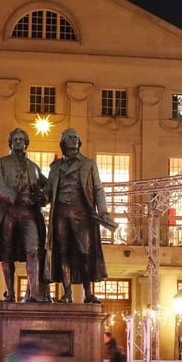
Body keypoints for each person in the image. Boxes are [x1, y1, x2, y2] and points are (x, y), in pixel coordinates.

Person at [45, 128, 111, 304]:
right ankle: (67, 293)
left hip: (82, 214)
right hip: (60, 213)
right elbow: (49, 191)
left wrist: (103, 212)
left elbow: (98, 189)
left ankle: (87, 293)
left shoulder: (89, 164)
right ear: (63, 142)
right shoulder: (55, 166)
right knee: (63, 252)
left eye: (76, 137)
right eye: (70, 137)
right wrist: (38, 196)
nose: (74, 140)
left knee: (85, 252)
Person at [0, 127, 50, 302]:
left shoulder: (34, 168)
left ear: (26, 143)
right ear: (10, 142)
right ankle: (10, 292)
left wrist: (44, 197)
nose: (18, 142)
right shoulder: (0, 163)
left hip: (29, 213)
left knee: (34, 250)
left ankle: (34, 292)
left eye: (21, 140)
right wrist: (15, 197)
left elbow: (47, 187)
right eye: (15, 139)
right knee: (6, 253)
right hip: (7, 211)